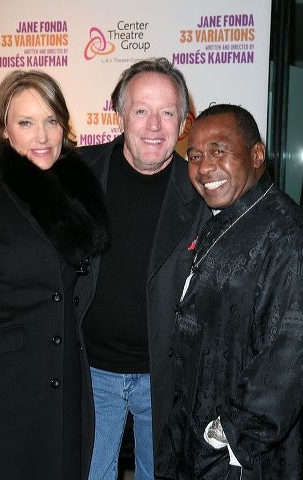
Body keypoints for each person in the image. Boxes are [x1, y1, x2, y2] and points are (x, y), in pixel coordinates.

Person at [0, 70, 109, 480]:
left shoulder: (76, 193)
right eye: (26, 123)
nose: (41, 136)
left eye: (51, 121)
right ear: (4, 130)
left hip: (63, 385)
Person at [73, 58, 209, 479]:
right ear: (119, 113)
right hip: (91, 371)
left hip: (164, 378)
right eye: (141, 110)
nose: (154, 125)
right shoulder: (75, 173)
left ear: (183, 121)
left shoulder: (204, 191)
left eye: (167, 112)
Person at [155, 104, 303, 479]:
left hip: (241, 458)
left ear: (256, 155)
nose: (204, 167)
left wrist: (230, 435)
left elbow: (289, 353)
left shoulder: (286, 235)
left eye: (219, 151)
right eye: (194, 155)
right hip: (200, 437)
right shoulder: (227, 217)